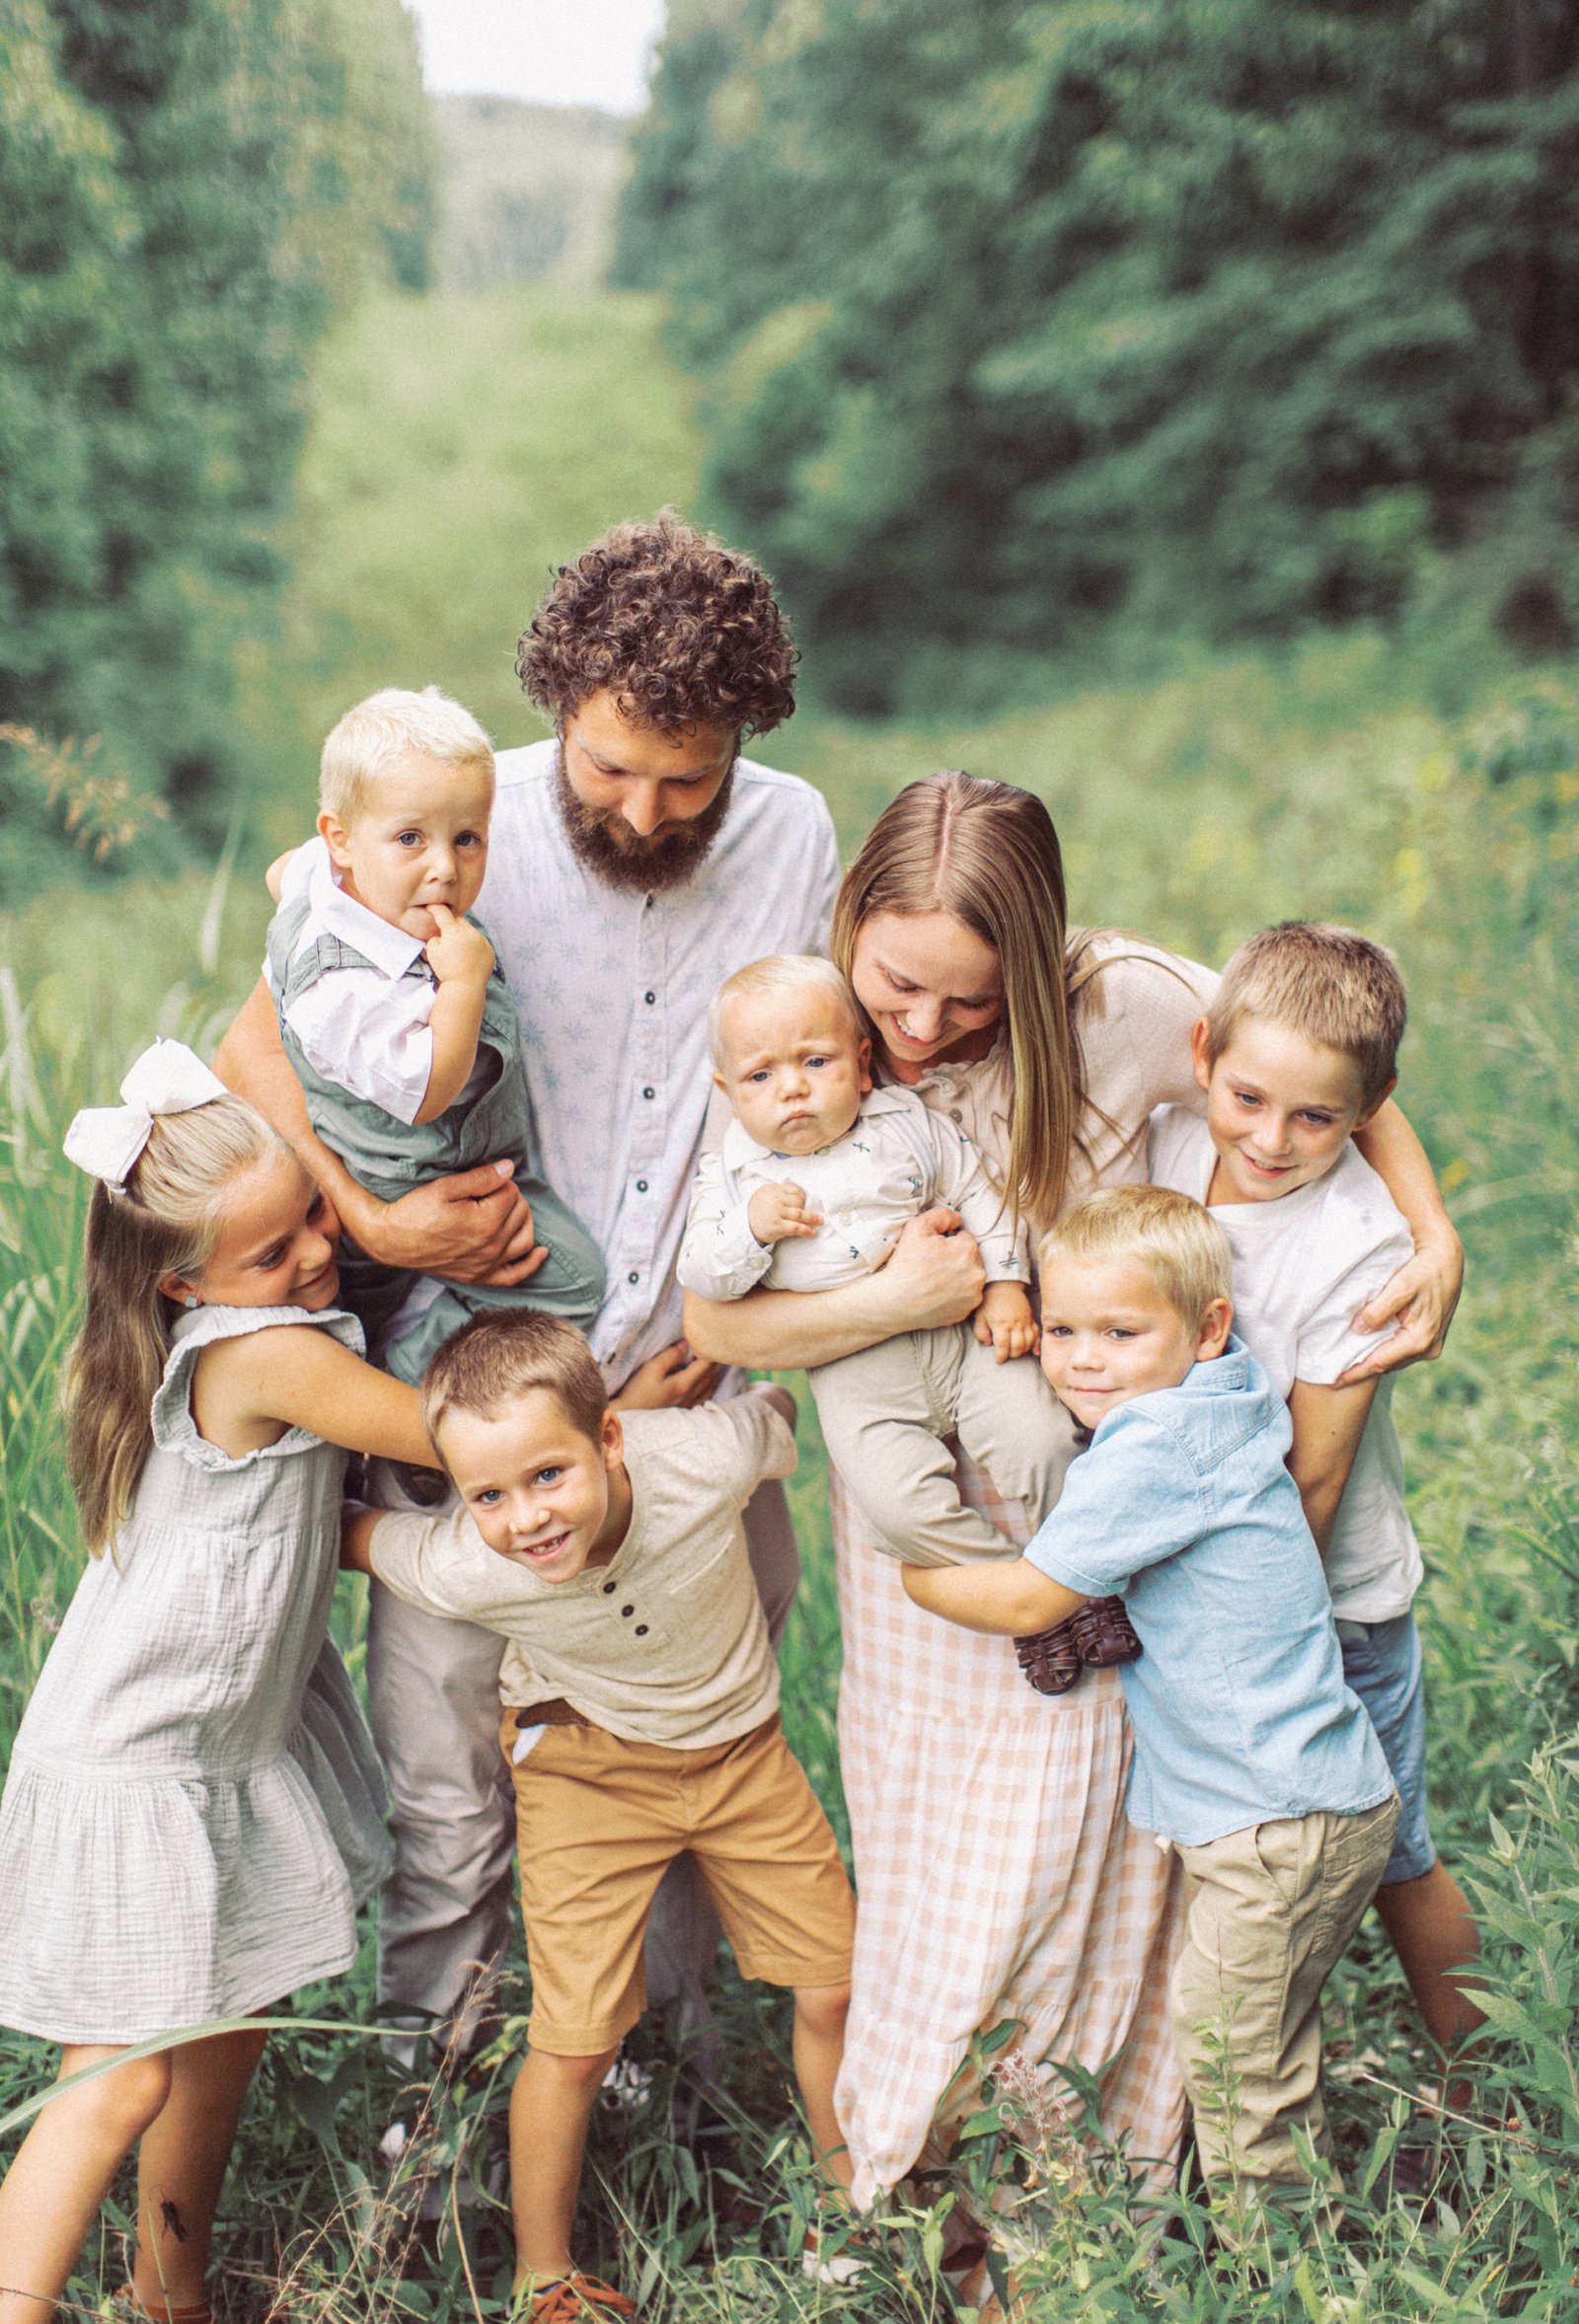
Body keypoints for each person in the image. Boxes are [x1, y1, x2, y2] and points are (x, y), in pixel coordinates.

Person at [681, 772, 1463, 2221]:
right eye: (895, 987)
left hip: (1117, 1502)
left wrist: (1430, 1223)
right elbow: (720, 1321)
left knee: (1103, 1833)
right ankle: (940, 2149)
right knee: (943, 1836)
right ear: (852, 926)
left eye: (965, 1005)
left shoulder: (1122, 1005)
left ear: (1034, 969)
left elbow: (1323, 1059)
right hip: (921, 1490)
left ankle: (1110, 2162)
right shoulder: (797, 1030)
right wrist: (898, 1296)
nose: (914, 1030)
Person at [214, 512, 840, 2060]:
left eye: (685, 779)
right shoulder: (441, 818)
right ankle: (442, 2107)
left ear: (744, 740)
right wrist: (371, 1208)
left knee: (693, 1770)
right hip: (475, 1409)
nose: (639, 807)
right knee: (455, 1791)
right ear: (559, 706)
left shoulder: (797, 835)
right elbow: (250, 1042)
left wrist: (740, 1312)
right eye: (608, 766)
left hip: (686, 1393)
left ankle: (667, 2097)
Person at [0, 1044, 437, 2324]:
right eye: (272, 1249)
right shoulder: (259, 1351)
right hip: (142, 1756)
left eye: (315, 1209)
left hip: (218, 1743)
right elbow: (437, 1432)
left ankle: (169, 2293)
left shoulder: (251, 1320)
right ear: (186, 1282)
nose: (314, 1252)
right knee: (125, 2074)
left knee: (231, 2028)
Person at [341, 1312, 855, 2321]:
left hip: (744, 1758)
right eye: (488, 1494)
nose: (526, 1518)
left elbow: (776, 1416)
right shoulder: (466, 1560)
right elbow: (354, 1535)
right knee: (574, 2040)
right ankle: (546, 2273)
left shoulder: (697, 1459)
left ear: (611, 1437)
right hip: (585, 1774)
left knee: (834, 1986)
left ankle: (851, 2207)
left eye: (548, 1477)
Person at [902, 1186, 1400, 2217]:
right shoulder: (1224, 1395)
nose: (1083, 1360)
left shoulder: (1154, 1447)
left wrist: (915, 1571)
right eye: (1064, 1329)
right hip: (1301, 1803)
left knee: (1231, 2071)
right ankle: (1292, 2233)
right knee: (1259, 2047)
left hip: (1274, 1823)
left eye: (1122, 1333)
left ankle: (1281, 2273)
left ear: (1207, 1325)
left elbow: (1036, 1595)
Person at [1148, 920, 1482, 2090]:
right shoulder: (1163, 1144)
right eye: (1247, 1098)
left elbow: (1318, 1478)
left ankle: (1484, 2078)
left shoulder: (1356, 1246)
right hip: (1186, 1572)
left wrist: (1250, 1640)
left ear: (1370, 1106)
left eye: (1316, 1118)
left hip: (1319, 1602)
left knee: (1391, 1848)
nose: (1270, 1139)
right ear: (1201, 1055)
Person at [678, 951, 1080, 1570]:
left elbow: (979, 1186)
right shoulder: (732, 1177)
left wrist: (1005, 1284)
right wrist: (751, 1231)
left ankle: (1087, 1563)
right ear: (728, 1094)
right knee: (896, 1512)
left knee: (1045, 1441)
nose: (793, 1088)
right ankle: (1016, 1582)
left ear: (862, 1065)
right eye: (761, 1077)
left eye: (816, 1061)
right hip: (853, 1370)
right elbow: (703, 1274)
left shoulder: (903, 1122)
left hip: (964, 1336)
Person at [263, 685, 604, 1384]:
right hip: (415, 1176)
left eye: (467, 838)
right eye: (410, 838)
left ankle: (380, 1375)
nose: (444, 867)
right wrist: (465, 985)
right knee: (573, 1279)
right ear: (342, 839)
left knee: (357, 1316)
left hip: (404, 1178)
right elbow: (424, 1092)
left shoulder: (321, 877)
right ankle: (414, 1378)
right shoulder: (343, 988)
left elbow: (283, 874)